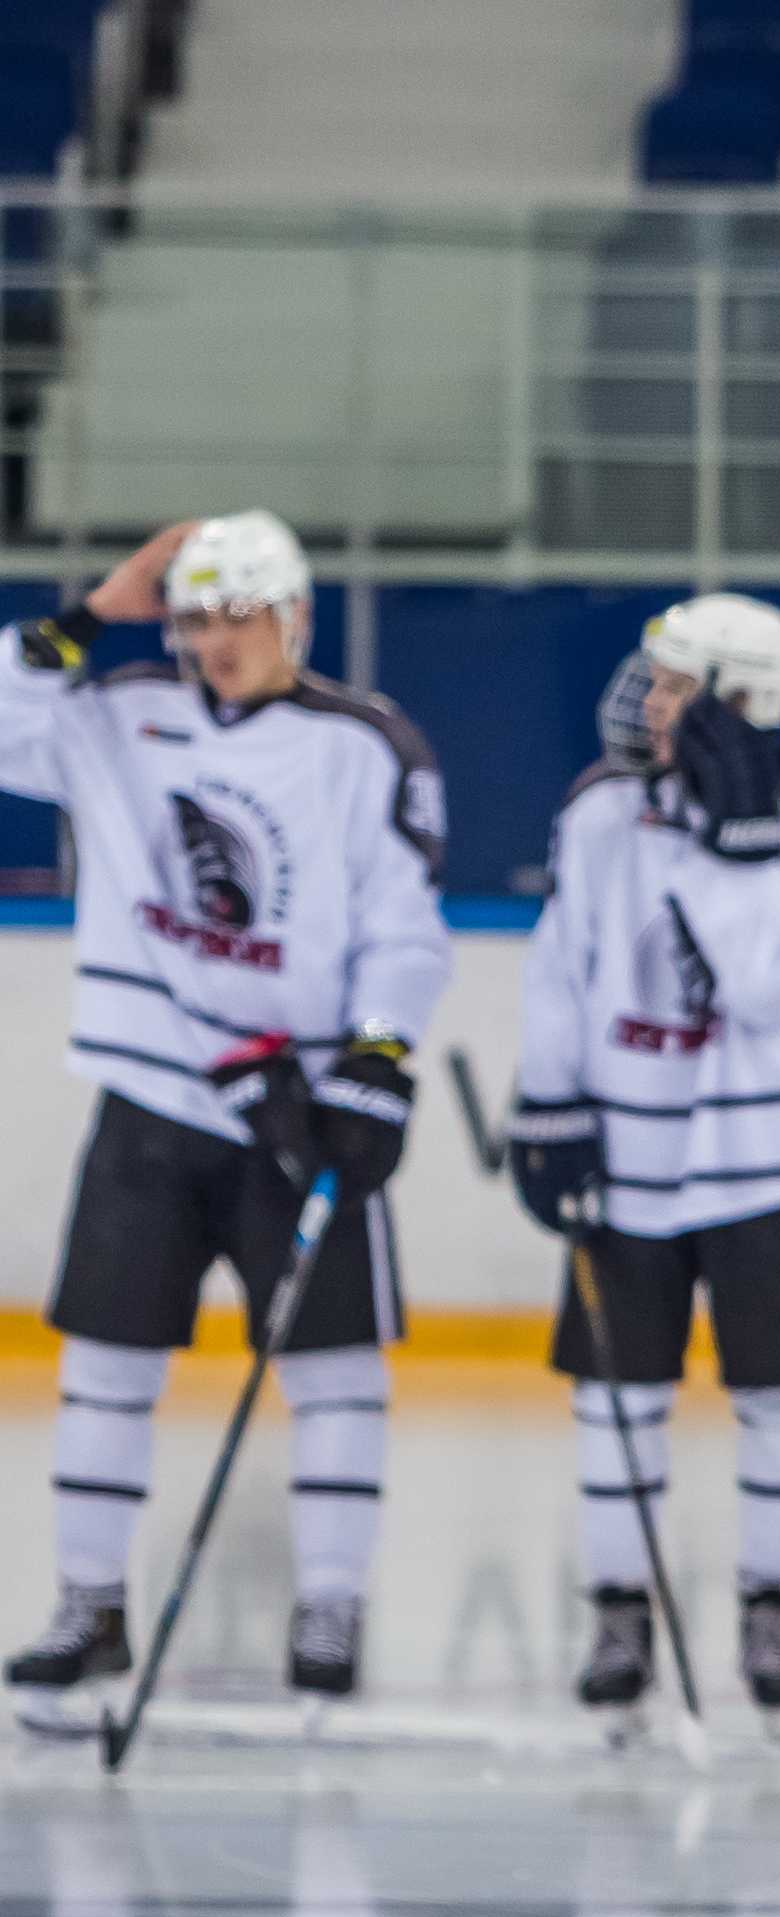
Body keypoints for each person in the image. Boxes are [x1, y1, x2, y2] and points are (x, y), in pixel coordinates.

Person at [4, 512, 448, 1730]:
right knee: (104, 1367)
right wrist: (96, 610)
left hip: (296, 1112)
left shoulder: (363, 744)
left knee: (335, 1370)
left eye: (234, 617)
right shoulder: (116, 712)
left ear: (292, 616)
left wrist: (376, 1062)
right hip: (152, 1096)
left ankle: (331, 1606)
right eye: (193, 618)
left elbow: (402, 926)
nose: (212, 642)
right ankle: (90, 1605)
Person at [508, 595, 780, 1727]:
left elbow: (768, 987)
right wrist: (547, 1106)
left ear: (737, 703)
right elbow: (560, 966)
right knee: (615, 1398)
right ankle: (618, 1609)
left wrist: (739, 842)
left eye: (675, 685)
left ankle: (771, 1609)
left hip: (765, 1160)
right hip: (623, 1152)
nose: (647, 702)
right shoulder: (598, 813)